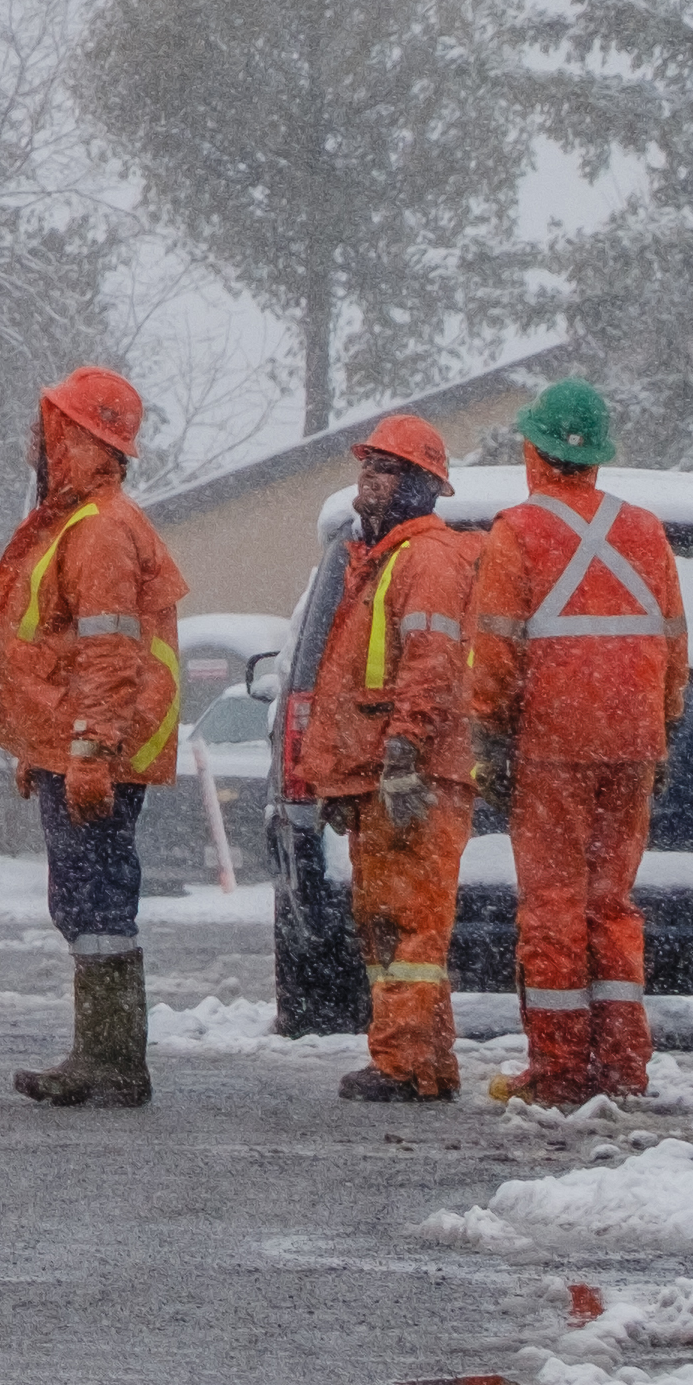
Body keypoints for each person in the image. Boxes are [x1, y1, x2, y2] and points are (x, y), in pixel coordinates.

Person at [466, 376, 689, 1104]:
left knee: (553, 906)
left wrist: (488, 737)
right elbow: (672, 641)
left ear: (531, 448)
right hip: (632, 741)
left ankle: (558, 1071)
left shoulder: (517, 531)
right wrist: (664, 725)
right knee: (611, 904)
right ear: (597, 455)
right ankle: (622, 1066)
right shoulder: (646, 529)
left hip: (553, 743)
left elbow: (495, 650)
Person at [0, 362, 187, 1109]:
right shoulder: (87, 522)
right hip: (85, 747)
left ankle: (110, 1060)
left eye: (46, 430)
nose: (31, 445)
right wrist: (47, 748)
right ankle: (102, 1054)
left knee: (94, 900)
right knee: (88, 899)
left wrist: (89, 752)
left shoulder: (96, 530)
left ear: (74, 436)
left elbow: (106, 655)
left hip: (101, 751)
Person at [273, 414, 488, 1102]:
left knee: (406, 922)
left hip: (411, 775)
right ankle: (425, 1063)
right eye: (366, 466)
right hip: (386, 773)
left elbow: (430, 665)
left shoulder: (423, 559)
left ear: (422, 487)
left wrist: (402, 752)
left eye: (386, 468)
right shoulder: (379, 559)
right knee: (392, 921)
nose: (368, 479)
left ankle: (401, 1063)